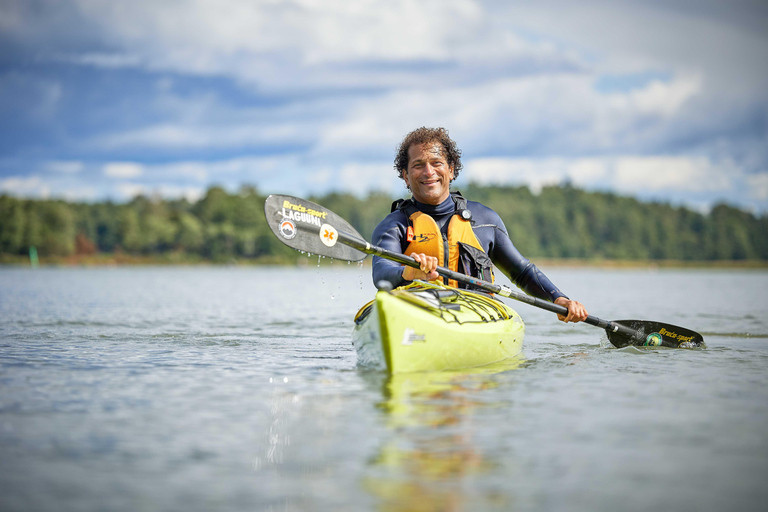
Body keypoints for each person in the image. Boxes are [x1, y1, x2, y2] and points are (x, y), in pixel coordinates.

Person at [371, 127, 588, 323]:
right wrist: (409, 271)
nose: (429, 172)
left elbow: (521, 272)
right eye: (418, 165)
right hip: (415, 313)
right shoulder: (394, 225)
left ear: (451, 170)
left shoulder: (485, 220)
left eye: (436, 163)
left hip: (476, 316)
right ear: (406, 176)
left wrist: (558, 299)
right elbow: (381, 272)